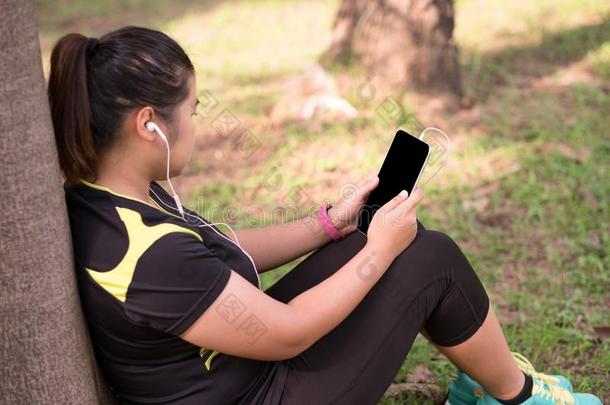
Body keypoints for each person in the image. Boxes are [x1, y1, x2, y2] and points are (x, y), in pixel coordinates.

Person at [47, 26, 602, 405]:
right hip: (261, 392)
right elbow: (287, 334)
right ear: (149, 124)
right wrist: (381, 249)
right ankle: (521, 396)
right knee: (426, 256)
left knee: (371, 242)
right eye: (191, 110)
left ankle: (488, 382)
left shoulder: (108, 194)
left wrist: (329, 224)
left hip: (240, 368)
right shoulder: (149, 256)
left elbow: (217, 248)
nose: (197, 123)